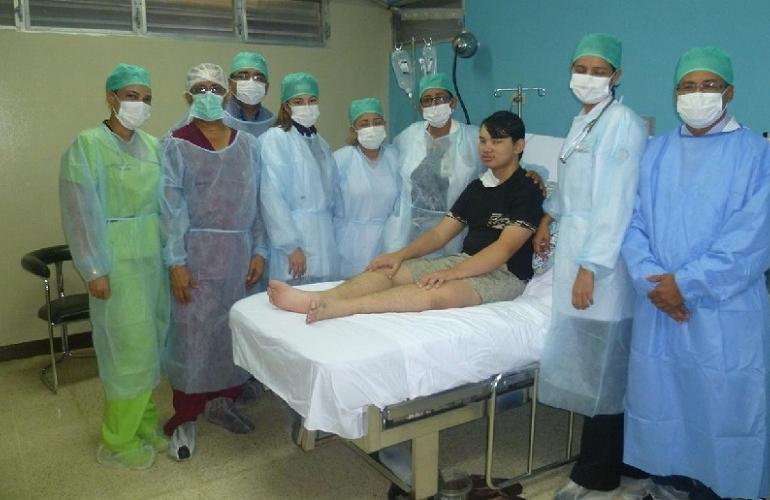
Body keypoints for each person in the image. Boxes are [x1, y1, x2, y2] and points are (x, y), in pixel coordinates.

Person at [621, 47, 770, 500]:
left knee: (724, 411)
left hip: (724, 310)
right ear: (675, 95)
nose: (697, 94)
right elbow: (631, 223)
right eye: (687, 86)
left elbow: (752, 237)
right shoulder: (655, 152)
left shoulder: (756, 154)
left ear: (730, 92)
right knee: (662, 406)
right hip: (660, 307)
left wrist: (684, 284)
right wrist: (653, 280)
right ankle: (668, 486)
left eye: (708, 85)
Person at [268, 111, 543, 324]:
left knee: (435, 293)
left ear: (518, 145)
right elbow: (440, 234)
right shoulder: (478, 187)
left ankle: (340, 308)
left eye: (497, 141)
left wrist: (450, 274)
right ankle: (318, 297)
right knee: (390, 271)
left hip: (504, 275)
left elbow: (503, 249)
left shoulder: (527, 189)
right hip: (464, 261)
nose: (487, 148)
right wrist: (400, 255)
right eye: (482, 140)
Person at [531, 34, 649, 498]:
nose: (588, 78)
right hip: (576, 250)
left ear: (617, 76)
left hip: (602, 264)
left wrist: (591, 267)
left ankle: (597, 474)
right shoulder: (583, 121)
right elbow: (570, 188)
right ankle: (603, 464)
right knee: (589, 368)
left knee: (604, 372)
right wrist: (548, 217)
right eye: (582, 68)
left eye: (600, 71)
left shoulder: (622, 123)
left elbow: (615, 203)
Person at [60, 64, 169, 470]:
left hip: (152, 260)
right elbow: (79, 212)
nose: (140, 104)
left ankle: (145, 424)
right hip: (115, 264)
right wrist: (93, 269)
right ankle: (118, 439)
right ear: (111, 98)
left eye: (146, 98)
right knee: (126, 351)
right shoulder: (87, 145)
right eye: (131, 96)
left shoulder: (154, 147)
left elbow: (166, 207)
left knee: (151, 346)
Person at [160, 63, 268, 461]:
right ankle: (185, 414)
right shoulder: (176, 143)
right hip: (196, 255)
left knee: (230, 330)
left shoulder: (247, 145)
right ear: (188, 96)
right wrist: (176, 262)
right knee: (192, 335)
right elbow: (170, 208)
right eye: (200, 88)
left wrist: (260, 250)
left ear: (226, 94)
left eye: (215, 88)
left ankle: (223, 402)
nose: (208, 94)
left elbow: (257, 203)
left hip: (239, 254)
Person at [384, 73, 483, 256]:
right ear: (420, 107)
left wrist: (533, 174)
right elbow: (387, 163)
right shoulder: (408, 137)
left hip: (453, 231)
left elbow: (505, 164)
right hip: (408, 230)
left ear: (453, 103)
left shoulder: (473, 139)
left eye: (440, 98)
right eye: (427, 100)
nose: (434, 104)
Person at [258, 72, 338, 284]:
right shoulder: (276, 139)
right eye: (298, 101)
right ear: (286, 106)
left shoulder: (321, 144)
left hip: (323, 241)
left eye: (312, 100)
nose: (307, 106)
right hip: (293, 244)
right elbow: (271, 197)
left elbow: (330, 197)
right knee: (292, 299)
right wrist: (291, 246)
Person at [333, 97, 400, 278]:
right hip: (349, 246)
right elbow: (328, 206)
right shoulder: (341, 160)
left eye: (377, 122)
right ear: (353, 130)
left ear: (384, 125)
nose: (372, 128)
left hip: (387, 242)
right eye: (364, 124)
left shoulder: (395, 159)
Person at [224, 51, 275, 137]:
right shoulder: (217, 118)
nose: (251, 82)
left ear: (266, 87)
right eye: (243, 77)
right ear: (230, 83)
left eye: (259, 78)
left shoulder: (272, 122)